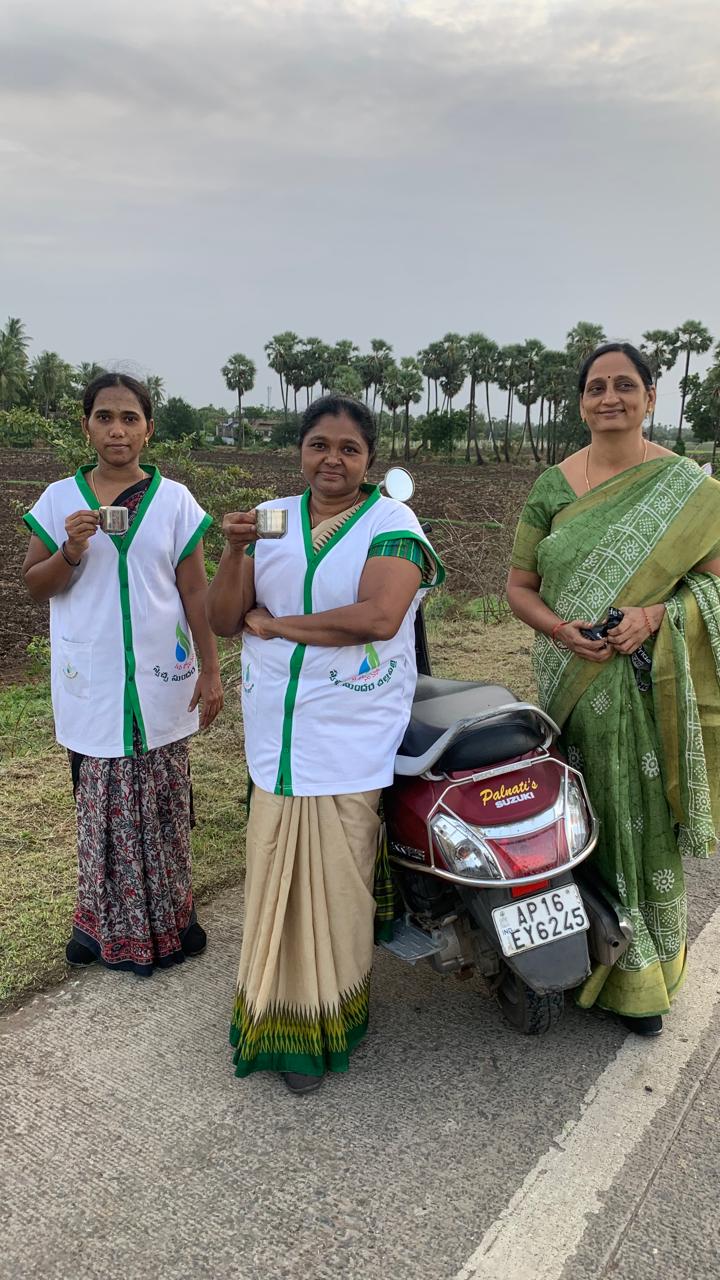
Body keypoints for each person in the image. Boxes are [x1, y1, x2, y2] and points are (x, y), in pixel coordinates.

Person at [207, 393, 444, 1093]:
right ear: (301, 451)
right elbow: (223, 618)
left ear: (369, 459)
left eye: (348, 449)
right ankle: (273, 1013)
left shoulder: (392, 523)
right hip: (277, 734)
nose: (332, 460)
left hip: (348, 732)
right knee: (272, 873)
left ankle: (323, 1024)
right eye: (319, 445)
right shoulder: (272, 518)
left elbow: (378, 617)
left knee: (335, 887)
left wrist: (279, 626)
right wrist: (235, 550)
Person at [507, 342, 720, 1036]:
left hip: (644, 684)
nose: (610, 398)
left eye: (625, 385)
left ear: (650, 398)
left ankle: (641, 977)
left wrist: (655, 616)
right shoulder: (552, 486)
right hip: (567, 683)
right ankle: (570, 957)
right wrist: (559, 630)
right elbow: (519, 587)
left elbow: (714, 588)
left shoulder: (687, 489)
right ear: (581, 403)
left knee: (638, 819)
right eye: (596, 387)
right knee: (568, 820)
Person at [22, 373, 223, 976]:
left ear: (149, 429)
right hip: (94, 679)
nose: (117, 429)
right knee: (99, 809)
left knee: (164, 805)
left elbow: (195, 590)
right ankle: (97, 923)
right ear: (86, 426)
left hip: (162, 677)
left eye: (130, 418)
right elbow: (36, 585)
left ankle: (174, 917)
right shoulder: (59, 499)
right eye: (104, 417)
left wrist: (211, 670)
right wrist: (70, 550)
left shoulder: (175, 501)